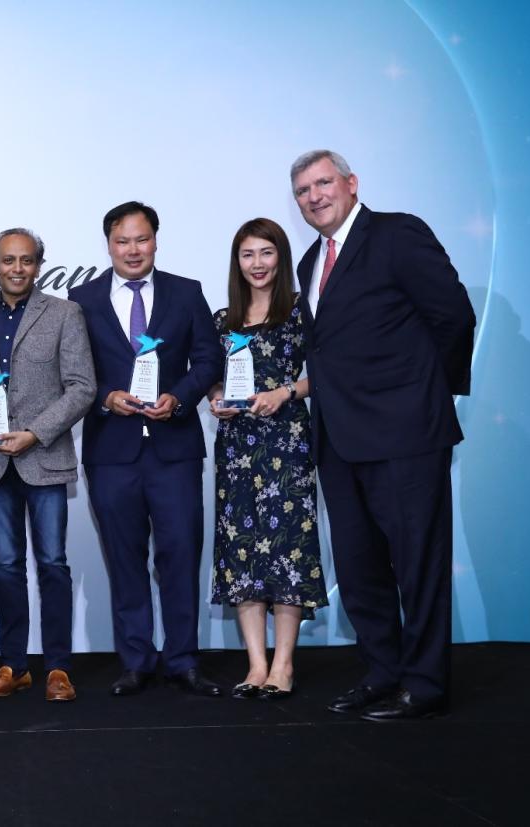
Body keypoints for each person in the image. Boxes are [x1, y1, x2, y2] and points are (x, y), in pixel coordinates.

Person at [289, 150, 475, 720]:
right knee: (359, 567)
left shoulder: (397, 234)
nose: (315, 196)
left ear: (351, 183)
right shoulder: (308, 263)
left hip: (405, 436)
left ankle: (424, 683)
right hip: (339, 440)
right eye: (302, 190)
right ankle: (382, 671)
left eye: (323, 183)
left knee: (417, 564)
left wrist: (420, 397)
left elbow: (454, 317)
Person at [68, 201, 224, 698]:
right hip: (112, 452)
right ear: (108, 244)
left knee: (180, 555)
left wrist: (179, 398)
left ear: (156, 240)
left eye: (141, 239)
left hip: (173, 450)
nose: (133, 250)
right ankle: (136, 660)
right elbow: (73, 374)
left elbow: (208, 358)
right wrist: (105, 397)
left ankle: (183, 660)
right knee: (124, 558)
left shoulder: (186, 292)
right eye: (122, 241)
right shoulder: (81, 300)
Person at [0, 228, 95, 702]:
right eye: (7, 260)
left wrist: (36, 432)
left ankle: (58, 668)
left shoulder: (64, 313)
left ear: (38, 265)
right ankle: (13, 665)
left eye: (25, 261)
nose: (16, 269)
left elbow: (82, 386)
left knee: (52, 563)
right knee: (5, 567)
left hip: (43, 457)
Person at [206, 218, 326, 701]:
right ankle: (256, 666)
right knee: (243, 553)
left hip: (287, 443)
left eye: (267, 253)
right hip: (237, 448)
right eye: (248, 255)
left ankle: (284, 664)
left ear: (281, 258)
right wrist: (215, 396)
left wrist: (284, 393)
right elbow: (213, 378)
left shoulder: (301, 311)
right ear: (237, 262)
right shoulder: (222, 320)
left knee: (287, 550)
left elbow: (325, 372)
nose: (257, 264)